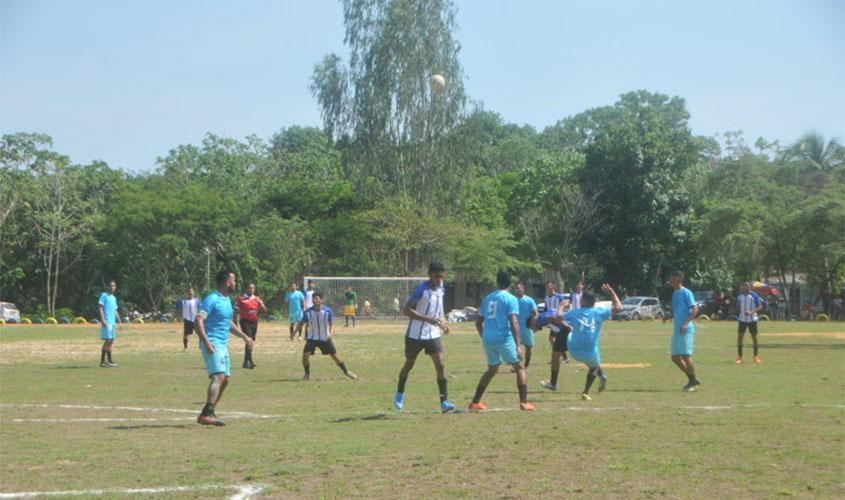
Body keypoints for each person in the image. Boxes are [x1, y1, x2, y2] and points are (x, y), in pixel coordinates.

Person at [195, 270, 255, 426]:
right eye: (233, 280)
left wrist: (244, 337)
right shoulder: (211, 299)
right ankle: (206, 414)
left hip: (222, 344)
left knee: (225, 380)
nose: (235, 283)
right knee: (219, 377)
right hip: (213, 342)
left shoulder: (227, 300)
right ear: (227, 282)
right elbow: (198, 320)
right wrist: (206, 341)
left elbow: (227, 323)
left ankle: (209, 411)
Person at [469, 271, 535, 411]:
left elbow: (478, 322)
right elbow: (514, 322)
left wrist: (484, 336)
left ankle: (475, 402)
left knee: (492, 369)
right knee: (520, 367)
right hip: (503, 338)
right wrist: (518, 345)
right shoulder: (511, 299)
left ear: (497, 282)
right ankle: (524, 402)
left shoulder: (488, 298)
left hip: (488, 339)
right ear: (510, 283)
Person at [393, 262, 454, 412]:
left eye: (441, 276)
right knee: (409, 364)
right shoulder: (421, 289)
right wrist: (428, 319)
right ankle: (400, 393)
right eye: (436, 276)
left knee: (440, 364)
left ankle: (444, 402)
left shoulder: (441, 290)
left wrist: (442, 323)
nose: (439, 279)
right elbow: (406, 310)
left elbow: (438, 311)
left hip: (433, 334)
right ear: (430, 274)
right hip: (415, 334)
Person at [563, 284, 623, 400]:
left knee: (570, 334)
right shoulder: (599, 312)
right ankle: (585, 392)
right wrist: (612, 292)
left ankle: (602, 375)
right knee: (593, 367)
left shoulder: (575, 312)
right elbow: (619, 308)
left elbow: (559, 317)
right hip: (590, 349)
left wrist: (561, 307)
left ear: (584, 300)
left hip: (573, 349)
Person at [295, 292, 357, 381]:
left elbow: (331, 324)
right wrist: (294, 333)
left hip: (325, 338)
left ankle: (346, 372)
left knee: (335, 357)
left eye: (316, 298)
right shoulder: (308, 312)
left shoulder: (327, 311)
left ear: (322, 300)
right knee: (305, 357)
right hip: (312, 338)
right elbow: (301, 323)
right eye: (313, 298)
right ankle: (307, 374)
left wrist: (330, 334)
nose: (314, 300)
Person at [667, 271, 700, 391]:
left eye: (671, 277)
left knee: (686, 355)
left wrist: (686, 323)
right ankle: (692, 379)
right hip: (677, 329)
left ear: (678, 279)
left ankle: (692, 382)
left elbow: (695, 310)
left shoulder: (686, 292)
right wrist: (670, 316)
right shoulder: (675, 293)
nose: (669, 280)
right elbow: (677, 309)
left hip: (686, 329)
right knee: (675, 357)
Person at [235, 283, 266, 369]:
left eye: (253, 288)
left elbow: (264, 310)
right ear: (246, 288)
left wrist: (261, 304)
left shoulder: (256, 298)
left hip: (254, 322)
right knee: (249, 339)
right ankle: (246, 362)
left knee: (252, 340)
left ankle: (249, 360)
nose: (251, 290)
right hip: (245, 321)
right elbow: (236, 310)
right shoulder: (241, 298)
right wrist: (235, 321)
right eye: (250, 288)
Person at [736, 281, 763, 364]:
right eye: (744, 286)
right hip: (742, 320)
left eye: (747, 286)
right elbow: (737, 306)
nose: (745, 288)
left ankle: (756, 356)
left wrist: (752, 312)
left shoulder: (754, 295)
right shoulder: (739, 296)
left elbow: (760, 307)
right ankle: (740, 357)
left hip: (752, 320)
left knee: (754, 338)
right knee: (740, 337)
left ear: (750, 287)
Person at [513, 283, 538, 370]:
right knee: (515, 346)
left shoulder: (529, 300)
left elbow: (535, 313)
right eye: (516, 288)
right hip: (516, 328)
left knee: (528, 347)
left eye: (519, 288)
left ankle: (526, 365)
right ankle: (519, 365)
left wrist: (533, 321)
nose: (517, 290)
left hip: (527, 327)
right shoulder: (513, 300)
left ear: (523, 289)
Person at [544, 281, 570, 363]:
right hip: (551, 321)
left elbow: (565, 305)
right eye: (546, 286)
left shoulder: (558, 296)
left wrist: (562, 315)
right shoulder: (546, 297)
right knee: (553, 339)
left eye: (549, 286)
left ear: (553, 287)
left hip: (558, 321)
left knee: (553, 339)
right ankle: (561, 357)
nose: (547, 288)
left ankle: (560, 357)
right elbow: (546, 309)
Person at [97, 279, 121, 368]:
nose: (112, 287)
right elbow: (100, 307)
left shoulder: (114, 298)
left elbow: (115, 310)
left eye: (113, 285)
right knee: (107, 340)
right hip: (106, 321)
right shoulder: (104, 295)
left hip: (112, 322)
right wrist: (102, 319)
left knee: (111, 341)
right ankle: (102, 361)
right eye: (110, 285)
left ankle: (109, 361)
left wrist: (119, 320)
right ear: (107, 286)